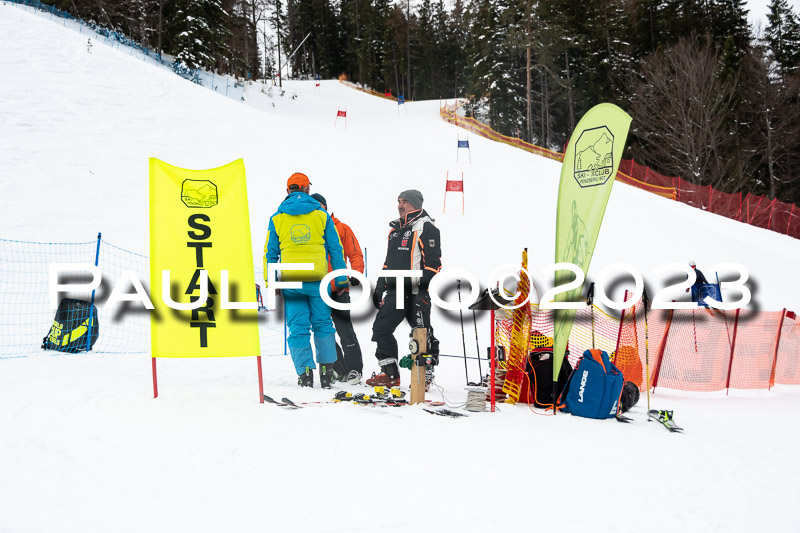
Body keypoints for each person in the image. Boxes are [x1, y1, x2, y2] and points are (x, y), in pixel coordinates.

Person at [264, 173, 348, 388]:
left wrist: (272, 282)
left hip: (291, 282)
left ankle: (305, 374)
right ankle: (327, 374)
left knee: (298, 328)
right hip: (318, 281)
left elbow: (270, 254)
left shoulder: (277, 218)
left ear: (288, 191)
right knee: (323, 325)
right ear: (308, 190)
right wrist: (340, 280)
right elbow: (335, 249)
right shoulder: (321, 215)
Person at [368, 189, 441, 389]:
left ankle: (425, 374)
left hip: (416, 291)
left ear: (415, 204)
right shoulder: (395, 230)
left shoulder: (426, 227)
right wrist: (380, 285)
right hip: (395, 292)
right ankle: (389, 374)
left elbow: (434, 264)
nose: (400, 206)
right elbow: (388, 263)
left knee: (422, 333)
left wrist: (421, 289)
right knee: (381, 329)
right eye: (399, 201)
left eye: (405, 202)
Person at [310, 193, 365, 385]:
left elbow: (355, 254)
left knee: (344, 330)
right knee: (323, 332)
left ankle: (354, 370)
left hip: (339, 289)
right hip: (317, 291)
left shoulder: (341, 228)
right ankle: (339, 369)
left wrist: (353, 277)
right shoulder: (310, 231)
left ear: (325, 207)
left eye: (319, 206)